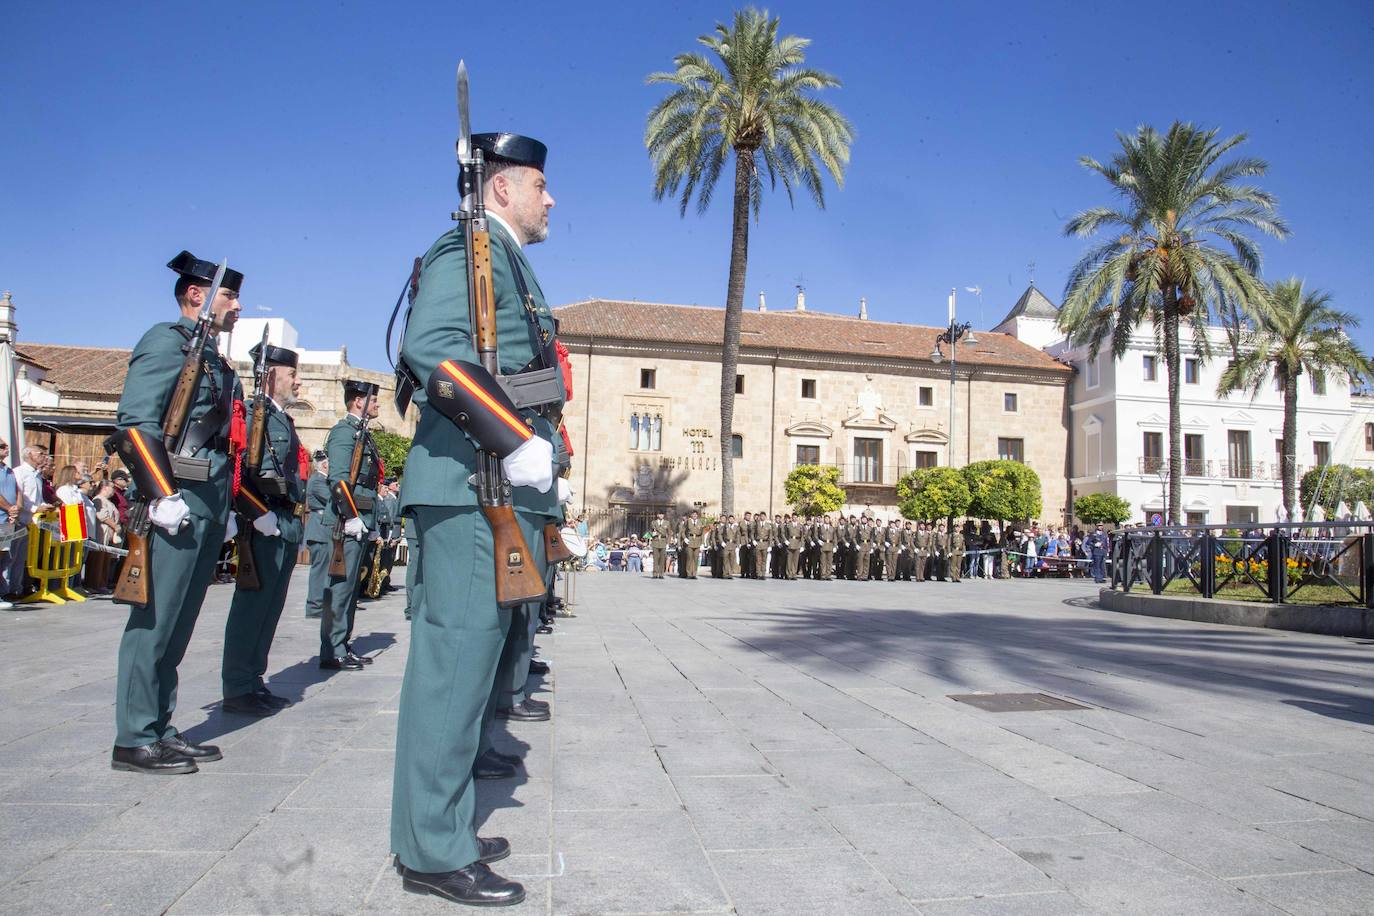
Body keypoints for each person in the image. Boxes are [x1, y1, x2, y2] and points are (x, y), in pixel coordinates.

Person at [390, 131, 563, 906]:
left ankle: (446, 820)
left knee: (474, 672)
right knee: (452, 670)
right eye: (538, 185)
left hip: (495, 488)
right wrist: (514, 439)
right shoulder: (467, 251)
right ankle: (431, 848)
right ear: (500, 190)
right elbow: (434, 349)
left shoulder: (505, 261)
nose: (550, 198)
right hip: (471, 486)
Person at [106, 250, 243, 774]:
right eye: (229, 294)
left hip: (205, 505)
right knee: (155, 621)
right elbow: (136, 423)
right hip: (173, 502)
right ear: (196, 294)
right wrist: (161, 495)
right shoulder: (167, 341)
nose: (237, 304)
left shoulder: (211, 355)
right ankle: (134, 736)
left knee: (179, 625)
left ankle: (160, 726)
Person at [221, 342, 303, 717]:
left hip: (283, 518)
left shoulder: (280, 416)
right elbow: (238, 468)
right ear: (271, 374)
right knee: (252, 606)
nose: (297, 382)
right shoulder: (255, 413)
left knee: (270, 606)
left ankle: (253, 680)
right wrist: (255, 515)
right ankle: (238, 686)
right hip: (264, 519)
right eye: (291, 375)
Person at [320, 380, 383, 670]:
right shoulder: (344, 433)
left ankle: (342, 643)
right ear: (358, 401)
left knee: (350, 588)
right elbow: (339, 480)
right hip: (347, 522)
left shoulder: (362, 434)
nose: (378, 405)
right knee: (341, 588)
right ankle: (332, 649)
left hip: (361, 519)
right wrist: (351, 515)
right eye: (374, 401)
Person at [303, 451, 331, 619]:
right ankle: (314, 606)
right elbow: (331, 499)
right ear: (325, 465)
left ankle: (320, 603)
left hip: (323, 529)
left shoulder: (321, 480)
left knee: (324, 568)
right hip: (319, 530)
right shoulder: (318, 480)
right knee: (319, 570)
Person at [649, 511, 671, 578]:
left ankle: (661, 574)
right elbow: (650, 531)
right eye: (660, 514)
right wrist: (652, 534)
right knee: (655, 559)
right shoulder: (653, 522)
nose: (661, 515)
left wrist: (668, 543)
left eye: (662, 514)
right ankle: (655, 573)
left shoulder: (667, 523)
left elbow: (669, 533)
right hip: (655, 541)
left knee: (662, 559)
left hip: (663, 541)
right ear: (657, 515)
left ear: (663, 515)